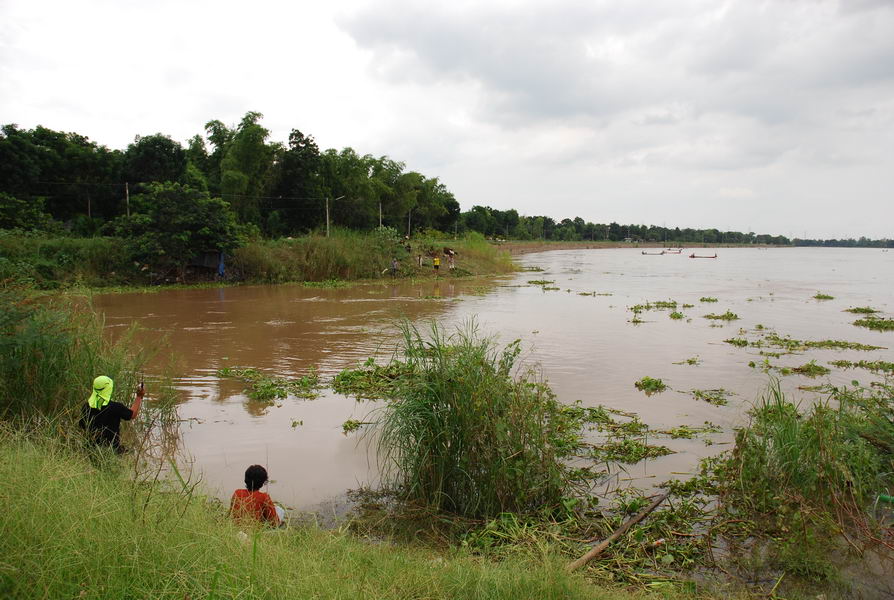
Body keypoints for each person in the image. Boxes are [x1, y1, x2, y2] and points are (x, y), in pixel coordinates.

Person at [78, 375, 144, 453]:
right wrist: (139, 396)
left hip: (90, 448)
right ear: (109, 389)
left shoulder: (86, 406)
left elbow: (82, 426)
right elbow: (132, 415)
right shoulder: (116, 407)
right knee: (132, 452)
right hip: (112, 449)